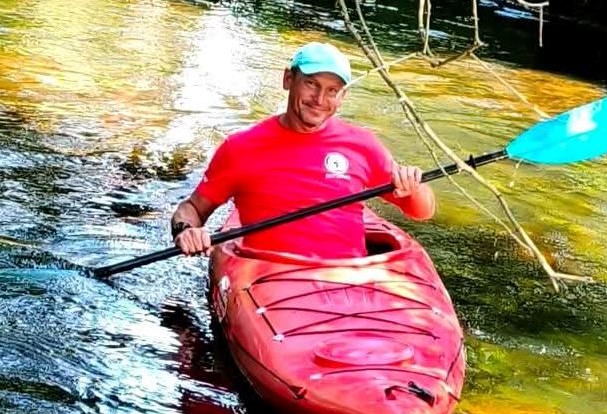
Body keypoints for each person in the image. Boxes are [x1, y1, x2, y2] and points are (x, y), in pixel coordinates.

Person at [170, 42, 434, 260]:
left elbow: (423, 211)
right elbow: (192, 207)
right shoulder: (240, 148)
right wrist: (187, 231)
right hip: (270, 275)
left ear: (343, 97)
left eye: (332, 90)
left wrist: (414, 189)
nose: (319, 100)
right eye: (311, 84)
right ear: (288, 79)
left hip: (352, 277)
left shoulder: (362, 144)